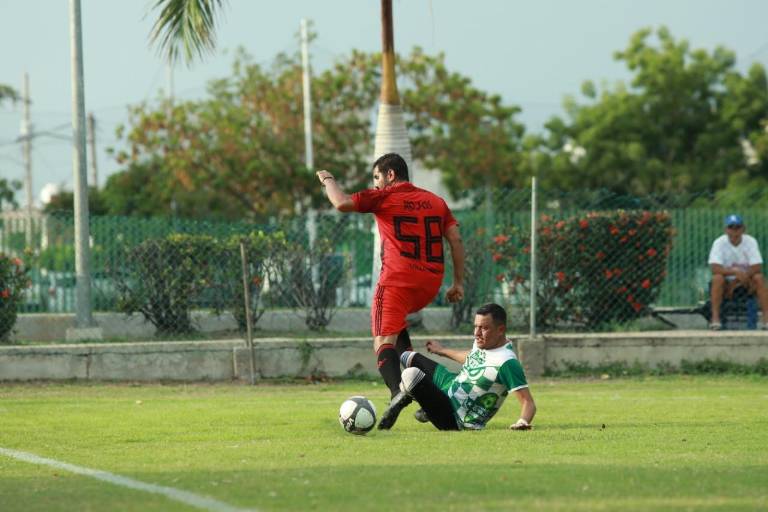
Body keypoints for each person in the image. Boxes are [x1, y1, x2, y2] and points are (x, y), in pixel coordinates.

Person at [316, 153, 465, 428]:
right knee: (402, 346)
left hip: (398, 279)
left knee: (383, 340)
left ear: (390, 175)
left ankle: (398, 392)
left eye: (376, 178)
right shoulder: (436, 201)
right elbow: (455, 238)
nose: (375, 185)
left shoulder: (385, 197)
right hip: (430, 283)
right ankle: (429, 401)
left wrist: (327, 178)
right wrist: (458, 283)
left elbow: (341, 202)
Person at [378, 303, 536, 431]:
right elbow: (472, 358)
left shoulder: (507, 362)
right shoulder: (485, 343)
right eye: (476, 326)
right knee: (408, 357)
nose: (477, 333)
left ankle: (412, 397)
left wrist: (522, 421)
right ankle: (407, 395)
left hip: (456, 418)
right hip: (450, 387)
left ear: (501, 330)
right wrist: (442, 351)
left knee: (411, 375)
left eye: (484, 328)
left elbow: (528, 402)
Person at [708, 213, 768, 330]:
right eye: (731, 227)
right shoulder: (719, 243)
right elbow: (715, 268)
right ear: (726, 229)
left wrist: (737, 280)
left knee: (759, 278)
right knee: (717, 278)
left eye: (737, 227)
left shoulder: (750, 241)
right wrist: (735, 273)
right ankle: (715, 319)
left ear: (743, 229)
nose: (734, 231)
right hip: (726, 283)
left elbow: (757, 266)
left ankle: (766, 320)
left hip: (746, 282)